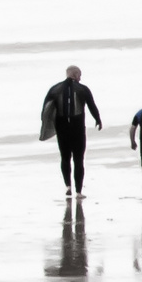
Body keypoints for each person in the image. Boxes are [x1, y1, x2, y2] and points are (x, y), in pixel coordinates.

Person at [42, 66, 103, 197]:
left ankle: (68, 186)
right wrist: (98, 119)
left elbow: (46, 109)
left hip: (62, 128)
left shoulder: (55, 89)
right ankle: (79, 192)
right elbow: (92, 106)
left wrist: (46, 126)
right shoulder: (83, 89)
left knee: (65, 157)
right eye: (80, 75)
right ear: (75, 75)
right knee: (79, 159)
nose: (80, 78)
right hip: (78, 128)